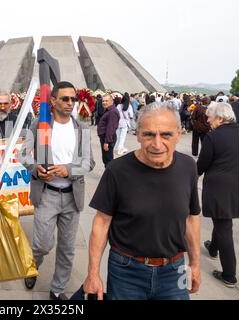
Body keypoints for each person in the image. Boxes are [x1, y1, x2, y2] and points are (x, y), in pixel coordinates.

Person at [84, 101, 201, 300]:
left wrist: (196, 264)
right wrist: (93, 273)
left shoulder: (188, 167)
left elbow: (191, 218)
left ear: (178, 135)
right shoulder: (117, 170)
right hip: (126, 271)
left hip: (175, 270)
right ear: (137, 134)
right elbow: (102, 222)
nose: (157, 144)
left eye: (166, 135)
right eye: (148, 134)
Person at [19, 81, 95, 300]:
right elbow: (23, 155)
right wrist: (35, 169)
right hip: (46, 194)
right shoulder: (40, 124)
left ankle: (57, 289)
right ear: (52, 101)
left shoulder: (81, 128)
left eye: (73, 99)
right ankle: (32, 267)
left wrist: (67, 169)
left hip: (72, 196)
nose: (70, 103)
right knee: (42, 244)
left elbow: (89, 162)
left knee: (67, 248)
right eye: (65, 98)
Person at [197, 102, 239, 288]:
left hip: (219, 189)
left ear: (220, 118)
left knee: (224, 227)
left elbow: (201, 166)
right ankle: (213, 248)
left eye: (210, 117)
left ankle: (229, 275)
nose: (208, 120)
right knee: (222, 220)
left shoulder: (213, 137)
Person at [97, 94, 120, 167]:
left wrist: (107, 142)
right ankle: (108, 175)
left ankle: (110, 176)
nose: (104, 102)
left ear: (111, 101)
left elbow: (111, 128)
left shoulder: (112, 112)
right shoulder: (108, 110)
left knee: (108, 159)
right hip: (105, 137)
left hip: (108, 138)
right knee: (106, 158)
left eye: (106, 101)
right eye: (103, 101)